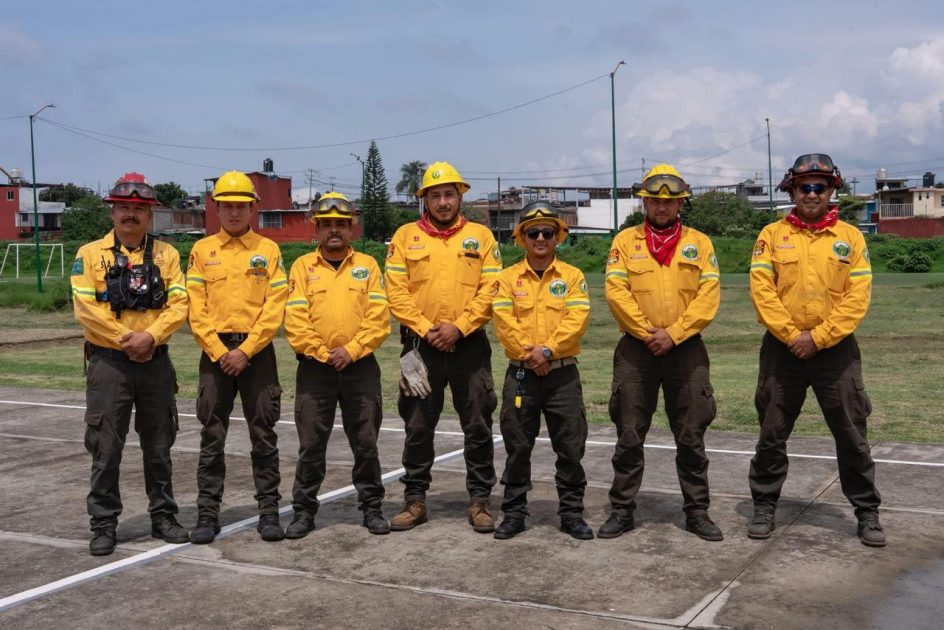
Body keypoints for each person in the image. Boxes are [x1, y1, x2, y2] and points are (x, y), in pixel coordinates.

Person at [748, 154, 884, 547]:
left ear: (831, 191)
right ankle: (764, 505)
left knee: (851, 433)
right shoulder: (771, 235)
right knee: (771, 432)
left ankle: (867, 512)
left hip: (836, 350)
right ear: (792, 190)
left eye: (819, 187)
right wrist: (792, 334)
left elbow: (857, 297)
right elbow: (762, 292)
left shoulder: (851, 238)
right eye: (804, 186)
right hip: (782, 348)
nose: (811, 194)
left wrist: (819, 337)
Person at [600, 164, 723, 541]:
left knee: (691, 434)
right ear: (645, 202)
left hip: (686, 350)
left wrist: (674, 334)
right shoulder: (625, 242)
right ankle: (622, 510)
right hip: (636, 351)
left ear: (681, 202)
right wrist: (646, 332)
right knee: (629, 434)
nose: (662, 206)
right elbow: (616, 293)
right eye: (655, 200)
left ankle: (697, 511)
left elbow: (708, 297)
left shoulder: (700, 243)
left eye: (670, 201)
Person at [70, 172, 190, 556]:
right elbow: (85, 308)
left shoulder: (168, 255)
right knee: (106, 447)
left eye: (139, 209)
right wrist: (127, 339)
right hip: (109, 364)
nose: (130, 214)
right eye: (123, 207)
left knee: (159, 445)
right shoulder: (89, 255)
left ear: (150, 215)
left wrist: (150, 337)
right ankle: (104, 523)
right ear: (112, 212)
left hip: (155, 363)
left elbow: (179, 305)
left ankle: (164, 517)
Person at [384, 161, 502, 533]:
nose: (443, 202)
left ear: (460, 196)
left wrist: (459, 327)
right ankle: (415, 500)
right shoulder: (405, 237)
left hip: (470, 346)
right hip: (420, 348)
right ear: (425, 199)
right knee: (418, 426)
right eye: (435, 195)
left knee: (478, 424)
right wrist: (427, 330)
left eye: (449, 194)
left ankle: (480, 500)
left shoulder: (481, 237)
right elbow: (396, 292)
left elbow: (491, 290)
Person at [186, 170, 289, 544]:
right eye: (227, 205)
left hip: (256, 354)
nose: (233, 212)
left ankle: (269, 513)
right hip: (215, 354)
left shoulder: (269, 251)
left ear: (252, 209)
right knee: (212, 436)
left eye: (240, 206)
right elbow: (195, 308)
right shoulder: (201, 251)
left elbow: (275, 307)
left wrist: (245, 350)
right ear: (217, 208)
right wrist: (220, 351)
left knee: (263, 434)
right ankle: (207, 514)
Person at [283, 192, 391, 537]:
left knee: (366, 442)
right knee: (311, 444)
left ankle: (372, 508)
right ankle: (303, 512)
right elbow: (295, 320)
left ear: (351, 228)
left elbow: (379, 318)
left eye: (341, 224)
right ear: (316, 229)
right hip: (316, 369)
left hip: (360, 367)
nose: (334, 230)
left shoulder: (368, 266)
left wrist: (352, 350)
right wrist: (321, 351)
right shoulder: (302, 267)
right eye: (326, 224)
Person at [490, 203, 592, 540]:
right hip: (521, 375)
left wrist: (547, 350)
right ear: (521, 237)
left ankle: (572, 514)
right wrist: (532, 354)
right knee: (518, 447)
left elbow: (577, 320)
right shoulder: (506, 279)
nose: (540, 238)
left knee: (570, 447)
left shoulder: (572, 277)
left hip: (563, 374)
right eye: (532, 232)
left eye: (548, 232)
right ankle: (514, 513)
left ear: (558, 236)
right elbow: (504, 323)